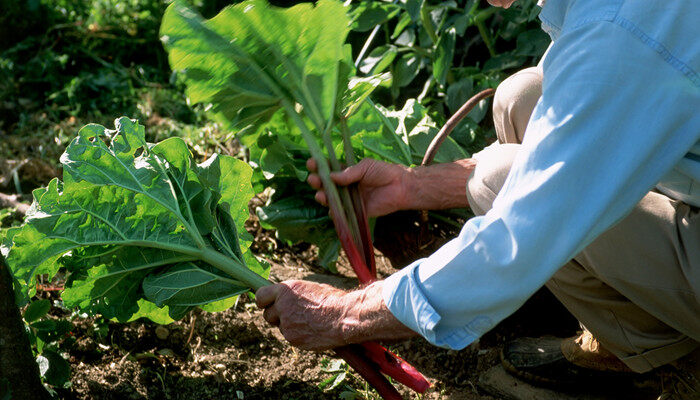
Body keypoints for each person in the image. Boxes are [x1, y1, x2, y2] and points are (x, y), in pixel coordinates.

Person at [255, 0, 700, 397]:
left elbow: (516, 242)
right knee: (522, 97)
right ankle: (632, 334)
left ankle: (680, 364)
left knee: (499, 181)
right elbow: (569, 141)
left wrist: (341, 314)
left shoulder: (622, 32)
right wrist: (412, 186)